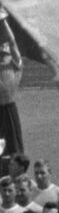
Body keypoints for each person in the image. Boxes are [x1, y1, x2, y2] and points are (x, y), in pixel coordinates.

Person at [0, 19, 22, 174]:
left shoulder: (15, 63)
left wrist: (2, 20)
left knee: (15, 151)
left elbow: (12, 41)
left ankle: (18, 178)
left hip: (8, 108)